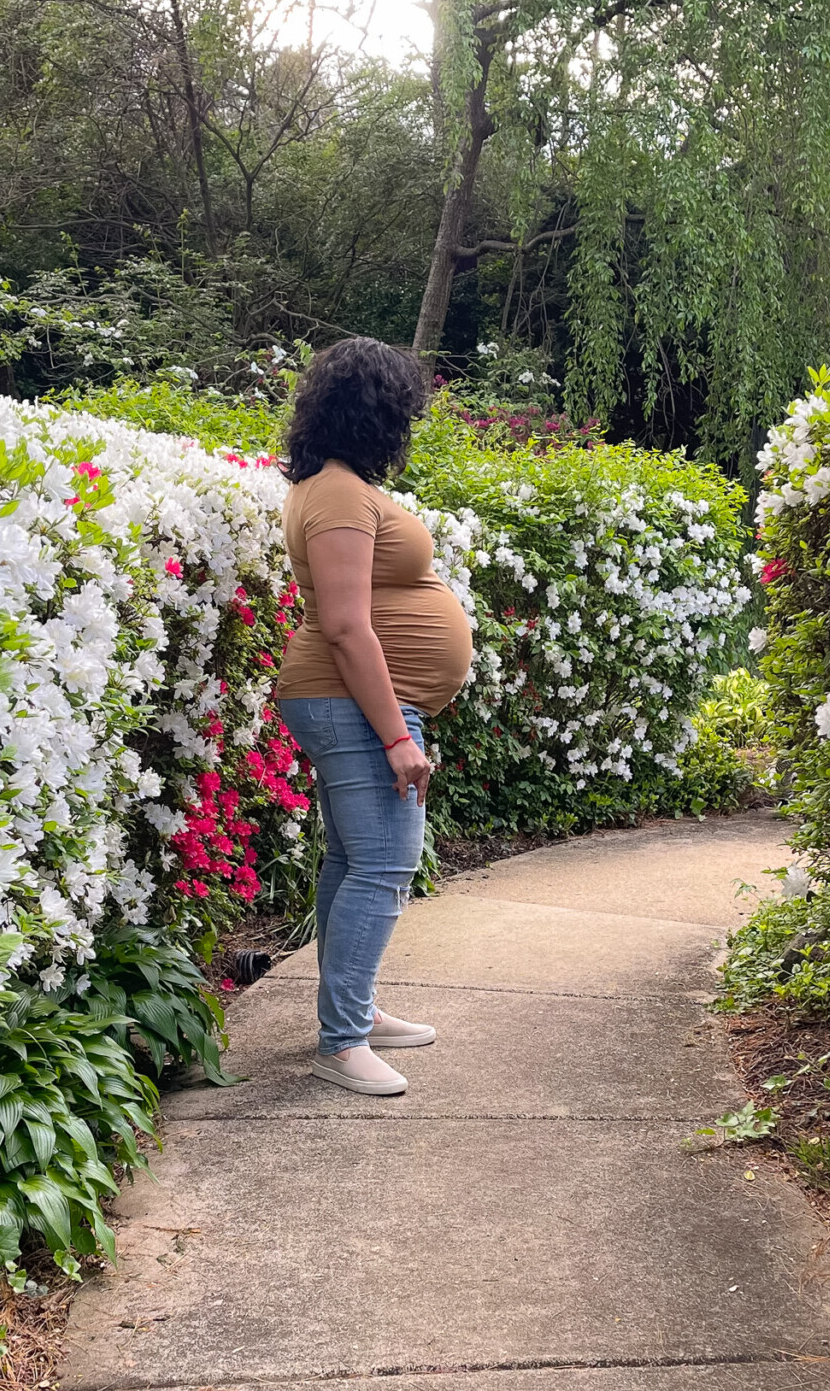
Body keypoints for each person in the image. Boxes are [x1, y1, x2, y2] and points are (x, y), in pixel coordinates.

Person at [276, 338, 474, 1096]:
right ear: (378, 411)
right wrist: (397, 736)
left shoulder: (337, 486)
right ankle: (342, 1040)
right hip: (350, 702)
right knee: (387, 862)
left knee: (352, 862)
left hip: (347, 701)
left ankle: (351, 1013)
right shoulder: (336, 494)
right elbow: (346, 625)